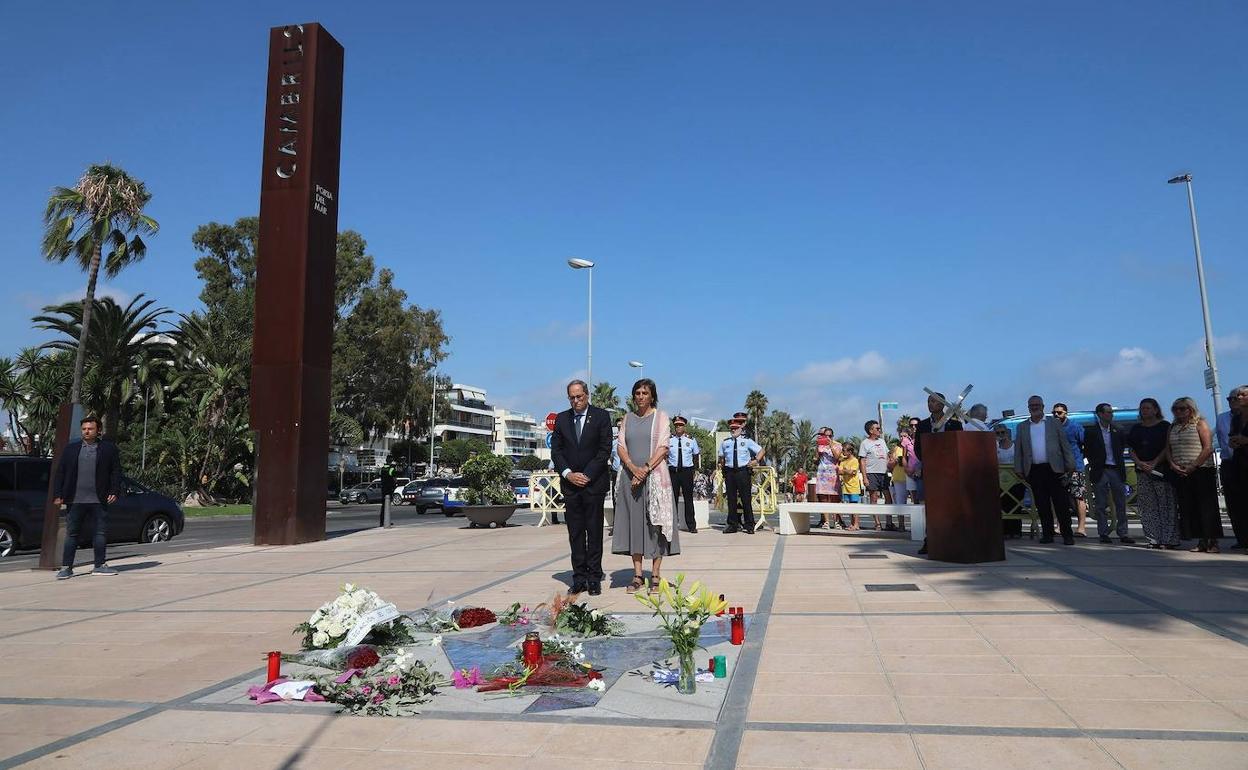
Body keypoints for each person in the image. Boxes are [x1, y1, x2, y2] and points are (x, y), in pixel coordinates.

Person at [613, 379, 678, 593]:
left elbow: (663, 448)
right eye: (637, 393)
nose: (641, 396)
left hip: (655, 479)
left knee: (655, 526)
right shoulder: (627, 419)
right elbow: (621, 447)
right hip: (630, 480)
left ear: (652, 396)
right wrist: (633, 468)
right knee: (635, 526)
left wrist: (645, 470)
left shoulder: (661, 418)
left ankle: (656, 575)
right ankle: (638, 575)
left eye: (645, 393)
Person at [550, 379, 613, 595]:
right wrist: (568, 474)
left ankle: (594, 577)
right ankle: (579, 577)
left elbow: (604, 450)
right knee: (575, 533)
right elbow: (556, 452)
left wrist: (586, 475)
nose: (576, 401)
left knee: (594, 532)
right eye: (572, 397)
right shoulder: (561, 419)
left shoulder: (602, 416)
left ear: (587, 395)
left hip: (593, 484)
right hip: (570, 486)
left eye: (579, 396)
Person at [53, 415, 123, 579]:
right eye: (84, 429)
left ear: (98, 430)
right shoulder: (71, 449)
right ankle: (66, 568)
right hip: (75, 499)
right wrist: (58, 494)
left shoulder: (108, 449)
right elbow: (60, 473)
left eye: (90, 429)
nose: (86, 431)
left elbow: (116, 472)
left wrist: (114, 491)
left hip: (99, 499)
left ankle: (99, 565)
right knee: (72, 534)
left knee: (100, 533)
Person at [1014, 395, 1076, 544]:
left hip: (1054, 469)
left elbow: (1064, 445)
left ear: (1042, 406)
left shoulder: (1053, 423)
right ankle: (1047, 534)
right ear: (1028, 407)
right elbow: (1018, 450)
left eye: (1037, 405)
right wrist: (1018, 468)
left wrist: (1070, 464)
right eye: (1031, 405)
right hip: (1034, 470)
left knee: (1061, 504)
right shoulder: (1022, 426)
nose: (1034, 407)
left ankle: (1067, 534)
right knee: (1042, 504)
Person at [1168, 396, 1221, 553]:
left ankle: (1212, 540)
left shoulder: (1200, 424)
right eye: (1175, 409)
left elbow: (1207, 448)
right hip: (1180, 470)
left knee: (1206, 507)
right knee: (1190, 507)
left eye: (1182, 408)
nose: (1179, 411)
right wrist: (1172, 464)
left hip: (1201, 469)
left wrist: (1193, 465)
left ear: (1190, 409)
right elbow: (1168, 448)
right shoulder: (1173, 427)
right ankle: (1201, 540)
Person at [1128, 397, 1180, 549]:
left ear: (1156, 410)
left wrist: (1155, 462)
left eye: (1148, 408)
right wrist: (1140, 463)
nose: (1145, 411)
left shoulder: (1164, 426)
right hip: (1142, 471)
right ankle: (1153, 539)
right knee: (1147, 506)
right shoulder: (1136, 428)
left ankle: (1168, 539)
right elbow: (1131, 448)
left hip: (1161, 471)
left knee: (1166, 505)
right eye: (1142, 408)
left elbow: (1167, 446)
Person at [914, 392, 963, 553]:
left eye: (934, 401)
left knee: (951, 506)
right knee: (931, 507)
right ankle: (931, 540)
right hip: (931, 472)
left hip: (950, 472)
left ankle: (952, 539)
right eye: (928, 401)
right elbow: (918, 448)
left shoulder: (954, 424)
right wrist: (929, 461)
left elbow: (959, 444)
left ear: (942, 404)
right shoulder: (923, 425)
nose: (930, 404)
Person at [1084, 403, 1134, 545]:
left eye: (1111, 412)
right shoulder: (1091, 431)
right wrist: (1094, 463)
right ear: (1100, 414)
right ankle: (1103, 533)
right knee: (1101, 504)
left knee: (1120, 502)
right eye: (1107, 412)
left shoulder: (1118, 429)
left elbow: (1125, 446)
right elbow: (1087, 450)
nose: (1110, 414)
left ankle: (1123, 532)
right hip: (1100, 469)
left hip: (1116, 469)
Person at [719, 415, 764, 534]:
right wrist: (722, 466)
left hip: (743, 472)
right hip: (730, 472)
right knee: (731, 500)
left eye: (736, 428)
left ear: (740, 429)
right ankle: (732, 525)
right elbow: (722, 457)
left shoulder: (747, 441)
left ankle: (749, 525)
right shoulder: (725, 443)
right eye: (732, 428)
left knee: (746, 499)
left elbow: (761, 450)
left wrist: (756, 461)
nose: (733, 430)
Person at [1217, 386, 1248, 550]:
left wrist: (1244, 440)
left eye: (1241, 396)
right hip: (1234, 462)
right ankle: (1242, 538)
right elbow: (1227, 439)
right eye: (1232, 398)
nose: (1236, 400)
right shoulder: (1229, 419)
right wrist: (1235, 441)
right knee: (1236, 503)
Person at [1052, 403, 1089, 538]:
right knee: (1058, 498)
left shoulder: (1075, 426)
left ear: (1066, 413)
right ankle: (1059, 526)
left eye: (1059, 412)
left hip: (1075, 467)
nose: (1056, 415)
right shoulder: (1051, 427)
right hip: (1057, 468)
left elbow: (1085, 443)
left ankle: (1081, 528)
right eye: (1054, 412)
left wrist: (1081, 459)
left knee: (1078, 497)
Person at [668, 416, 700, 533]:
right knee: (672, 499)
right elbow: (665, 455)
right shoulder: (669, 440)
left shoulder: (691, 440)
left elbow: (696, 455)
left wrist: (694, 469)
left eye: (680, 425)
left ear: (684, 426)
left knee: (688, 499)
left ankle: (691, 525)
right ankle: (672, 525)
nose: (678, 427)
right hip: (673, 472)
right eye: (676, 425)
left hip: (686, 472)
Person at [859, 421, 893, 530]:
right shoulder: (865, 443)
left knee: (888, 497)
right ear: (870, 430)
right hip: (871, 473)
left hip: (883, 473)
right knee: (874, 497)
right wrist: (864, 477)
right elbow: (862, 460)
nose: (879, 430)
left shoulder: (882, 441)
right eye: (877, 428)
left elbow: (887, 456)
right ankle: (877, 523)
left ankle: (889, 523)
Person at [814, 427, 843, 528]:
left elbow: (837, 457)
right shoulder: (820, 445)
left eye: (830, 436)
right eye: (825, 435)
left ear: (833, 436)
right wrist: (817, 452)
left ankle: (836, 522)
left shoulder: (838, 445)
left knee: (835, 498)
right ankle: (826, 521)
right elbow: (816, 459)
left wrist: (830, 445)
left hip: (833, 473)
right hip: (822, 473)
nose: (827, 437)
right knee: (823, 498)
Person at [838, 441, 863, 512]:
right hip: (845, 488)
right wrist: (847, 471)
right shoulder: (843, 461)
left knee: (855, 507)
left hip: (854, 488)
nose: (842, 452)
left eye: (844, 450)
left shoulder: (855, 460)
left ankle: (856, 523)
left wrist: (845, 470)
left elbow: (852, 472)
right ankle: (852, 523)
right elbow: (840, 471)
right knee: (849, 508)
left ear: (850, 451)